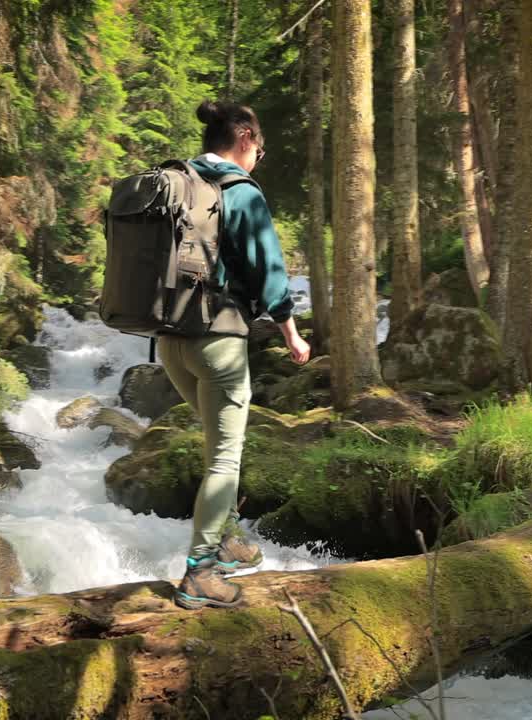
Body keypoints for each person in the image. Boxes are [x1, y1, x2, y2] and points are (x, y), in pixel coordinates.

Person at [162, 100, 311, 610]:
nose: (258, 160)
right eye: (259, 151)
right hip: (217, 340)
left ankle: (226, 540)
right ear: (245, 137)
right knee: (224, 457)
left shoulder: (177, 183)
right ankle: (200, 573)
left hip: (169, 340)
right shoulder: (239, 191)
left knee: (215, 447)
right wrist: (291, 332)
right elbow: (268, 269)